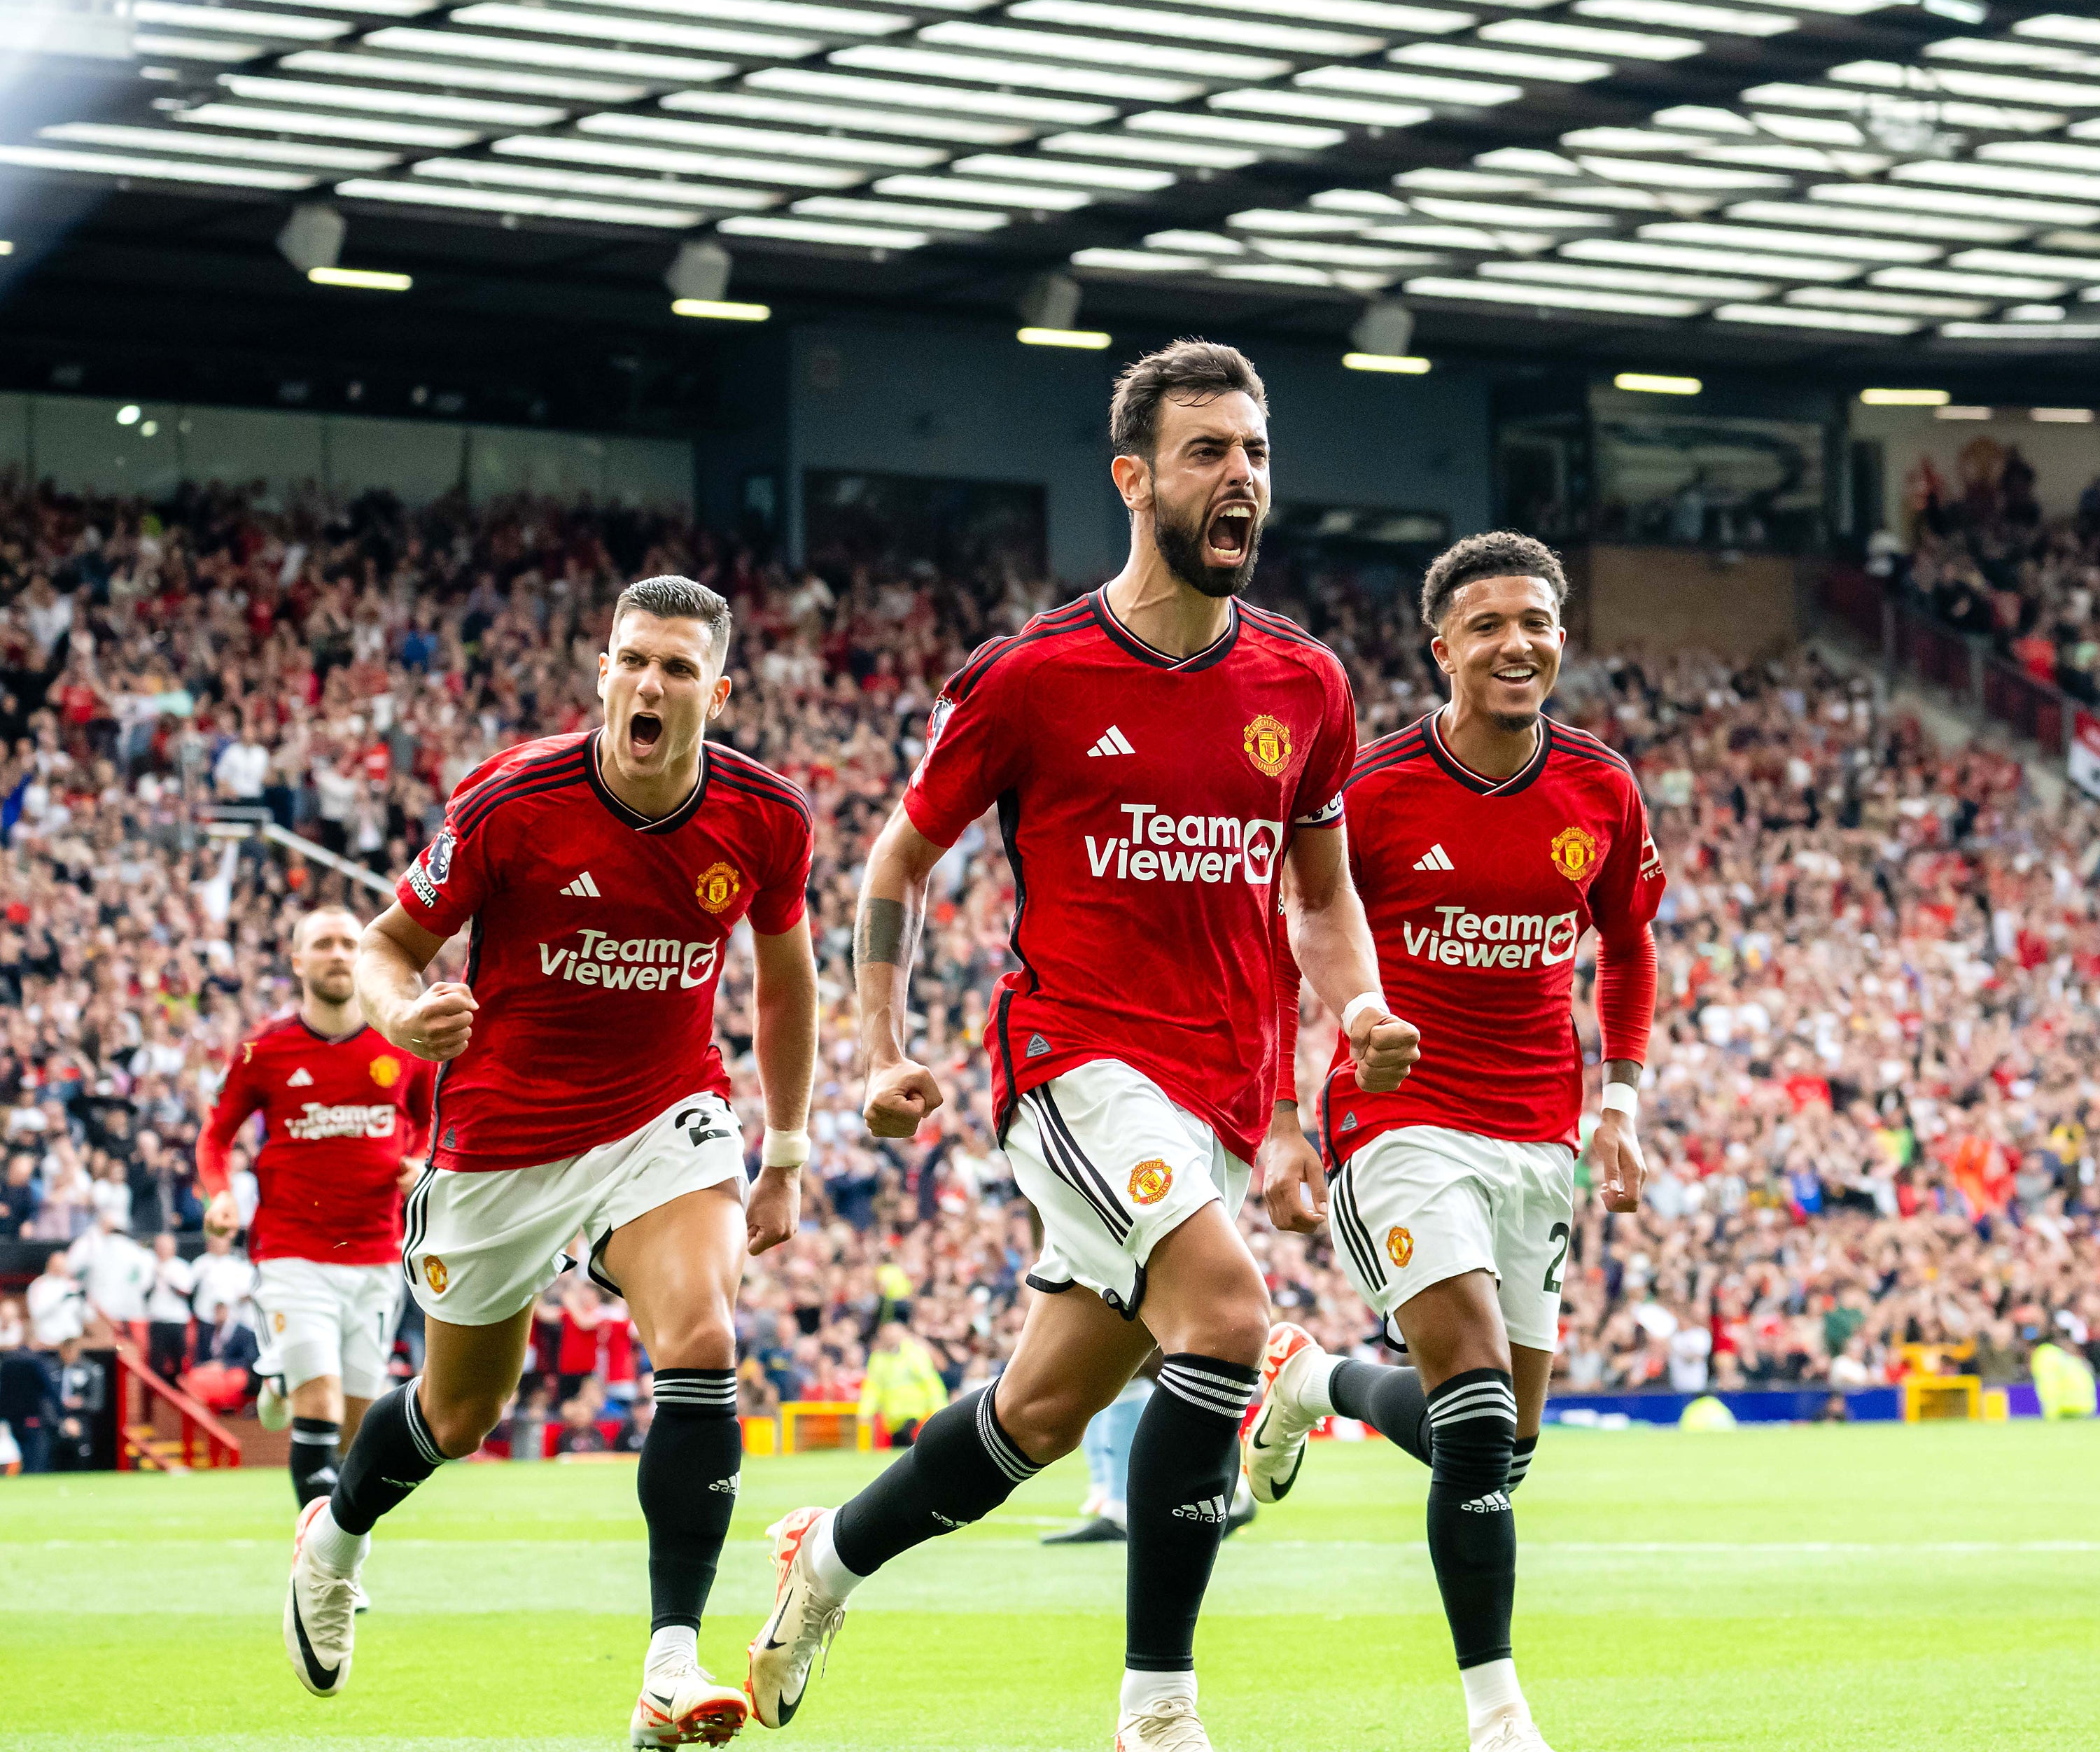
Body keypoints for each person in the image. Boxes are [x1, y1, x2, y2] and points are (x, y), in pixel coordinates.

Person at [746, 340, 1416, 1752]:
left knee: (1034, 1417)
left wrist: (1343, 1034)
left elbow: (1323, 896)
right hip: (1075, 1068)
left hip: (1221, 1099)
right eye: (1209, 453)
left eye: (1258, 453)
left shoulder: (1307, 685)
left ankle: (828, 1565)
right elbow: (893, 866)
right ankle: (1158, 1712)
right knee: (1229, 1319)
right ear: (1134, 478)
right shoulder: (1031, 675)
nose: (1244, 479)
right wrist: (878, 1049)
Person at [282, 574, 818, 1752]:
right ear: (602, 672)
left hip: (665, 1112)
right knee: (463, 1407)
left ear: (715, 693)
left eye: (679, 668)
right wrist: (396, 1014)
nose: (651, 683)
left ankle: (669, 1665)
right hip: (506, 1137)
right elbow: (385, 944)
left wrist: (785, 1147)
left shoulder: (767, 815)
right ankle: (335, 1534)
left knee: (705, 1336)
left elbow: (785, 980)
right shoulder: (513, 799)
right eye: (633, 659)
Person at [1245, 531, 1663, 1752]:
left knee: (1501, 1444)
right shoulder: (1368, 792)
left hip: (1542, 1130)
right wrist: (1278, 1115)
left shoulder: (1601, 787)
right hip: (1400, 1119)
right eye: (1486, 624)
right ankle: (1498, 1714)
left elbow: (1630, 944)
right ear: (1443, 649)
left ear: (1561, 638)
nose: (1515, 643)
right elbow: (1286, 942)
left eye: (1534, 620)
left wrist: (1623, 1095)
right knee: (1474, 1394)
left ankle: (1314, 1380)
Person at [197, 906, 436, 1512]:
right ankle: (316, 1570)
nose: (337, 953)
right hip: (292, 1251)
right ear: (298, 961)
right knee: (322, 1404)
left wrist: (416, 1161)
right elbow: (215, 1136)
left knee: (359, 1428)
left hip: (379, 1255)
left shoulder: (401, 1045)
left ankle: (278, 1379)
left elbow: (430, 1121)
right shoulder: (264, 1050)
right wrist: (220, 1193)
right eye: (323, 943)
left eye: (349, 942)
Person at [145, 1232, 197, 1382]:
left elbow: (186, 1291)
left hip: (176, 1320)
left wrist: (166, 1277)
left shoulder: (181, 1267)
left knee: (178, 1360)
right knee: (156, 1362)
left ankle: (180, 1391)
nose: (162, 1250)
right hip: (157, 1319)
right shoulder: (150, 1265)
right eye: (159, 1246)